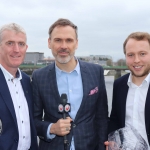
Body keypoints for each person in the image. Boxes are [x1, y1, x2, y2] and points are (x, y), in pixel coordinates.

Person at [32, 18, 108, 150]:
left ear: (76, 43)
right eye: (58, 40)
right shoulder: (39, 77)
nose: (63, 46)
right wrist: (51, 128)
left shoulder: (96, 72)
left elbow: (101, 117)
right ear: (49, 43)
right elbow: (33, 121)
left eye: (69, 40)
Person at [106, 32, 150, 149]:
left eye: (142, 54)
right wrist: (111, 141)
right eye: (130, 55)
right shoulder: (119, 84)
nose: (136, 60)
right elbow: (115, 118)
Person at [0, 23, 38, 150]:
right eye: (10, 43)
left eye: (21, 44)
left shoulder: (27, 81)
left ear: (26, 48)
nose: (16, 49)